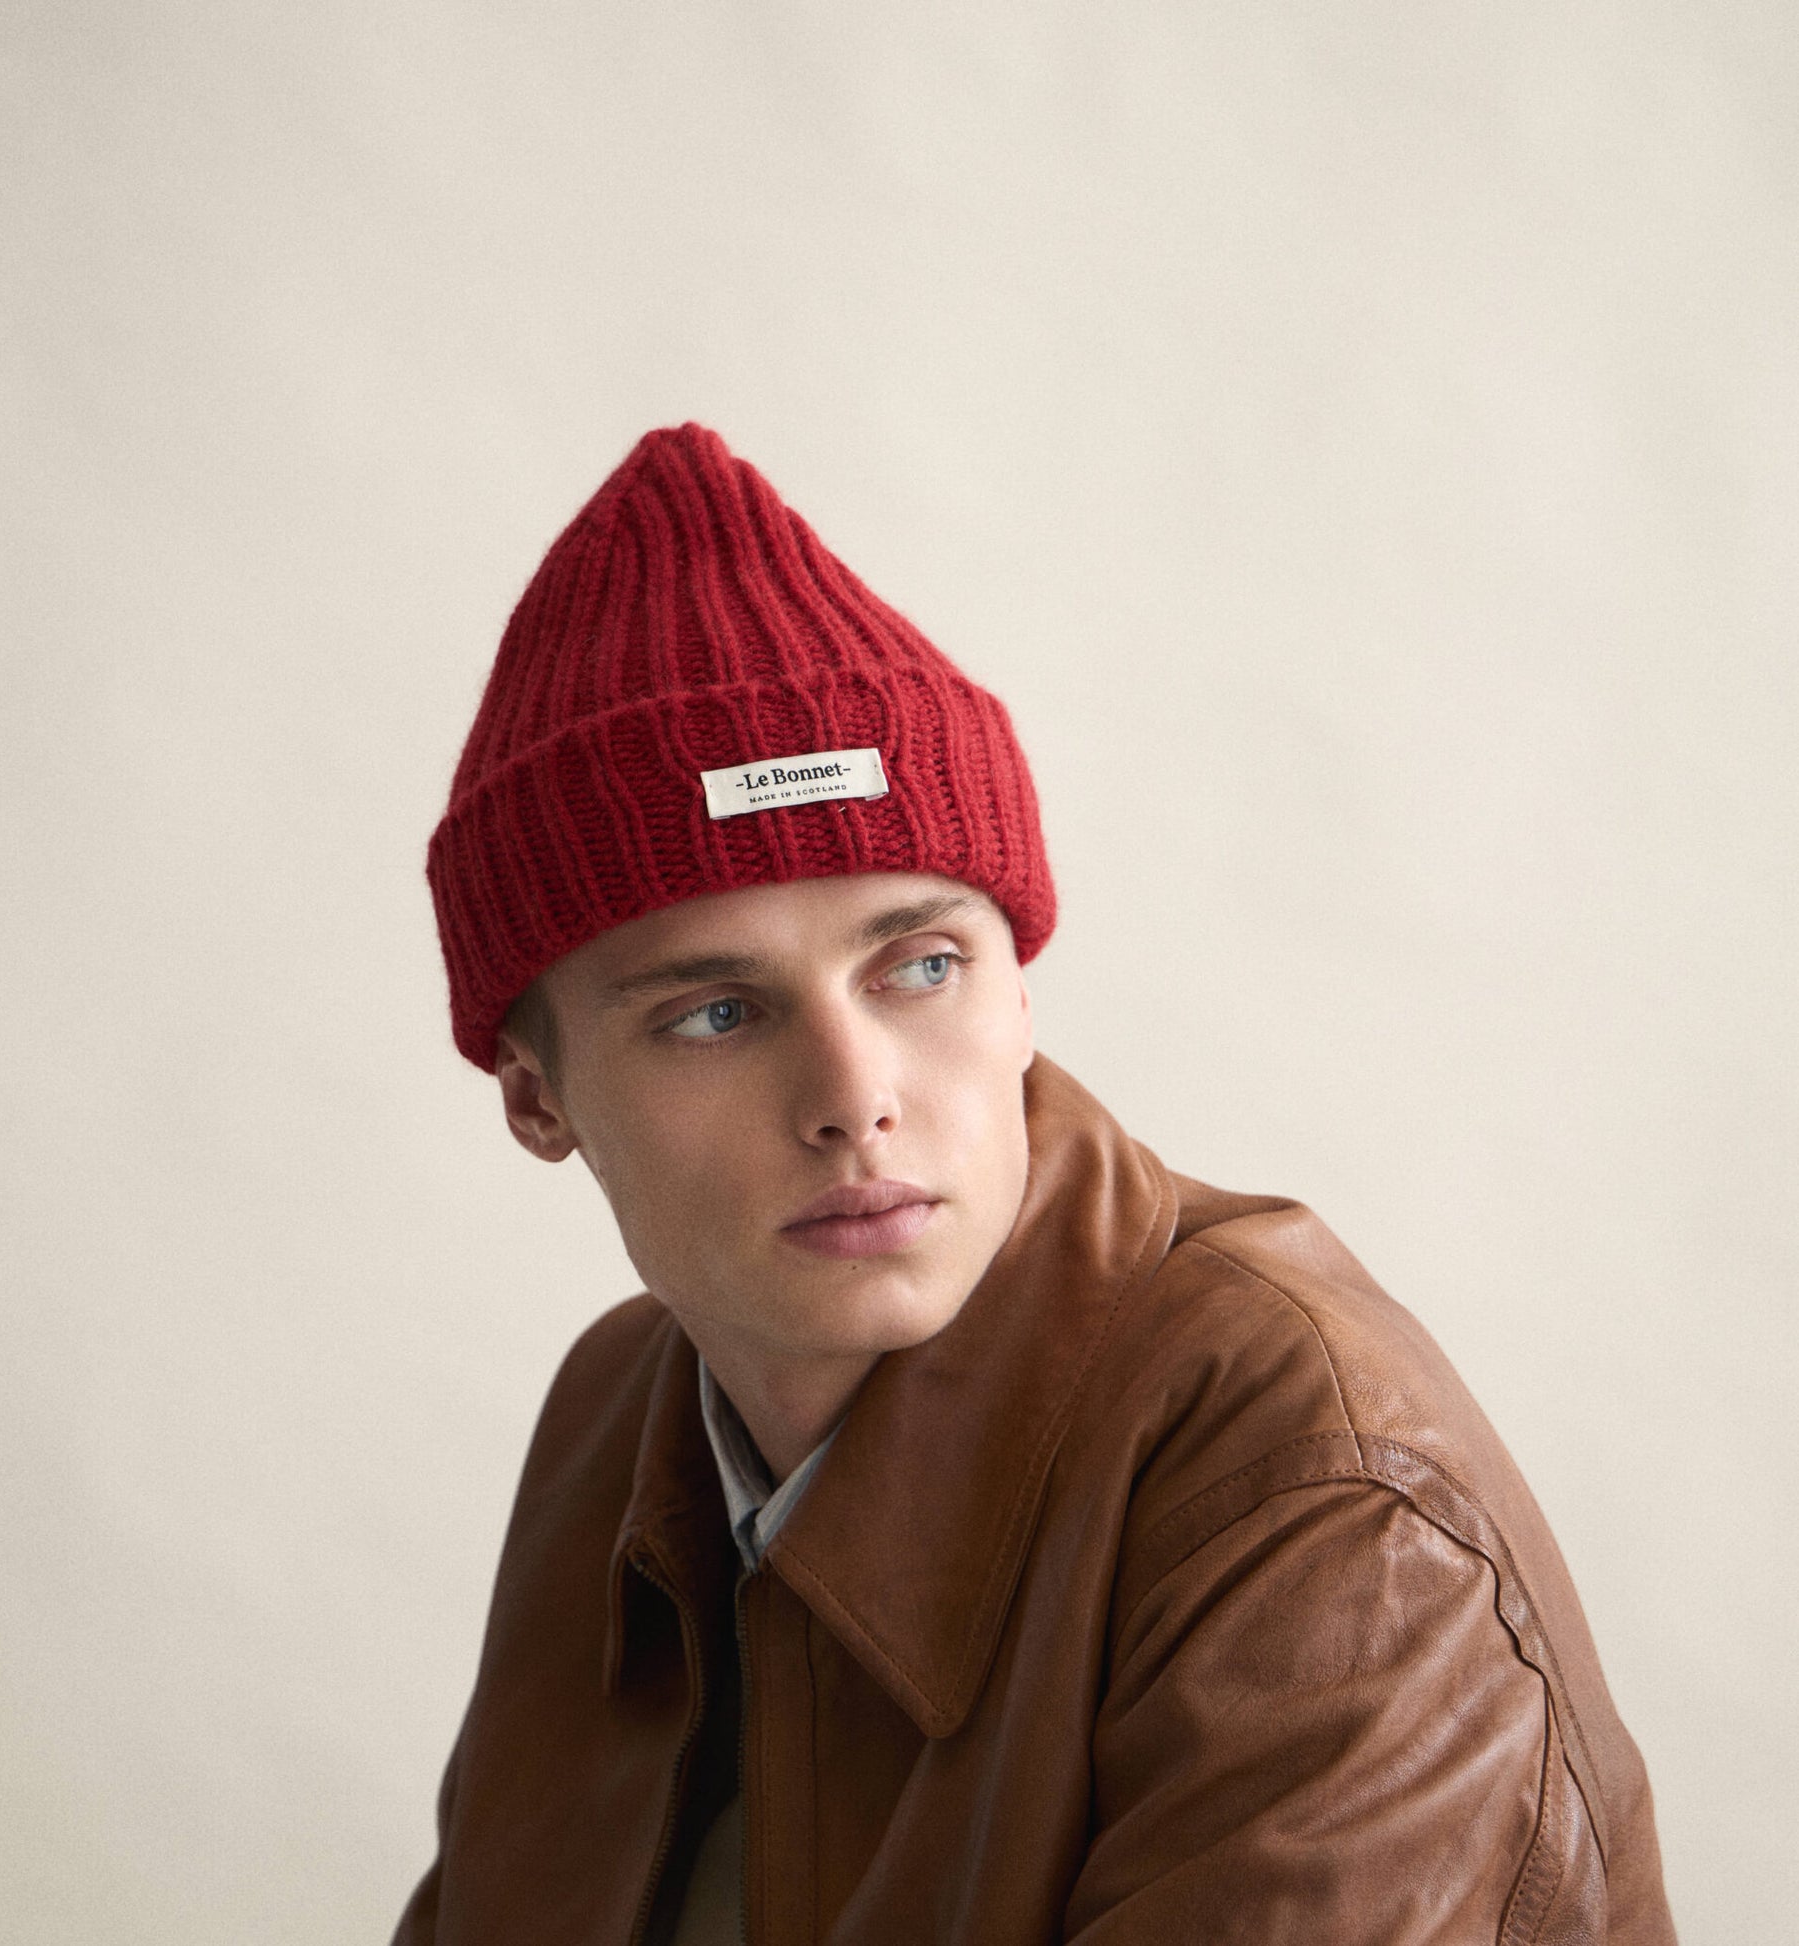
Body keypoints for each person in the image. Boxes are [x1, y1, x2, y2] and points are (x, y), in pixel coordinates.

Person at [394, 424, 1676, 1943]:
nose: (855, 1099)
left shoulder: (1314, 1487)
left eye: (921, 964)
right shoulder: (616, 1419)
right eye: (717, 1013)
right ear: (537, 1095)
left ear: (1018, 988)